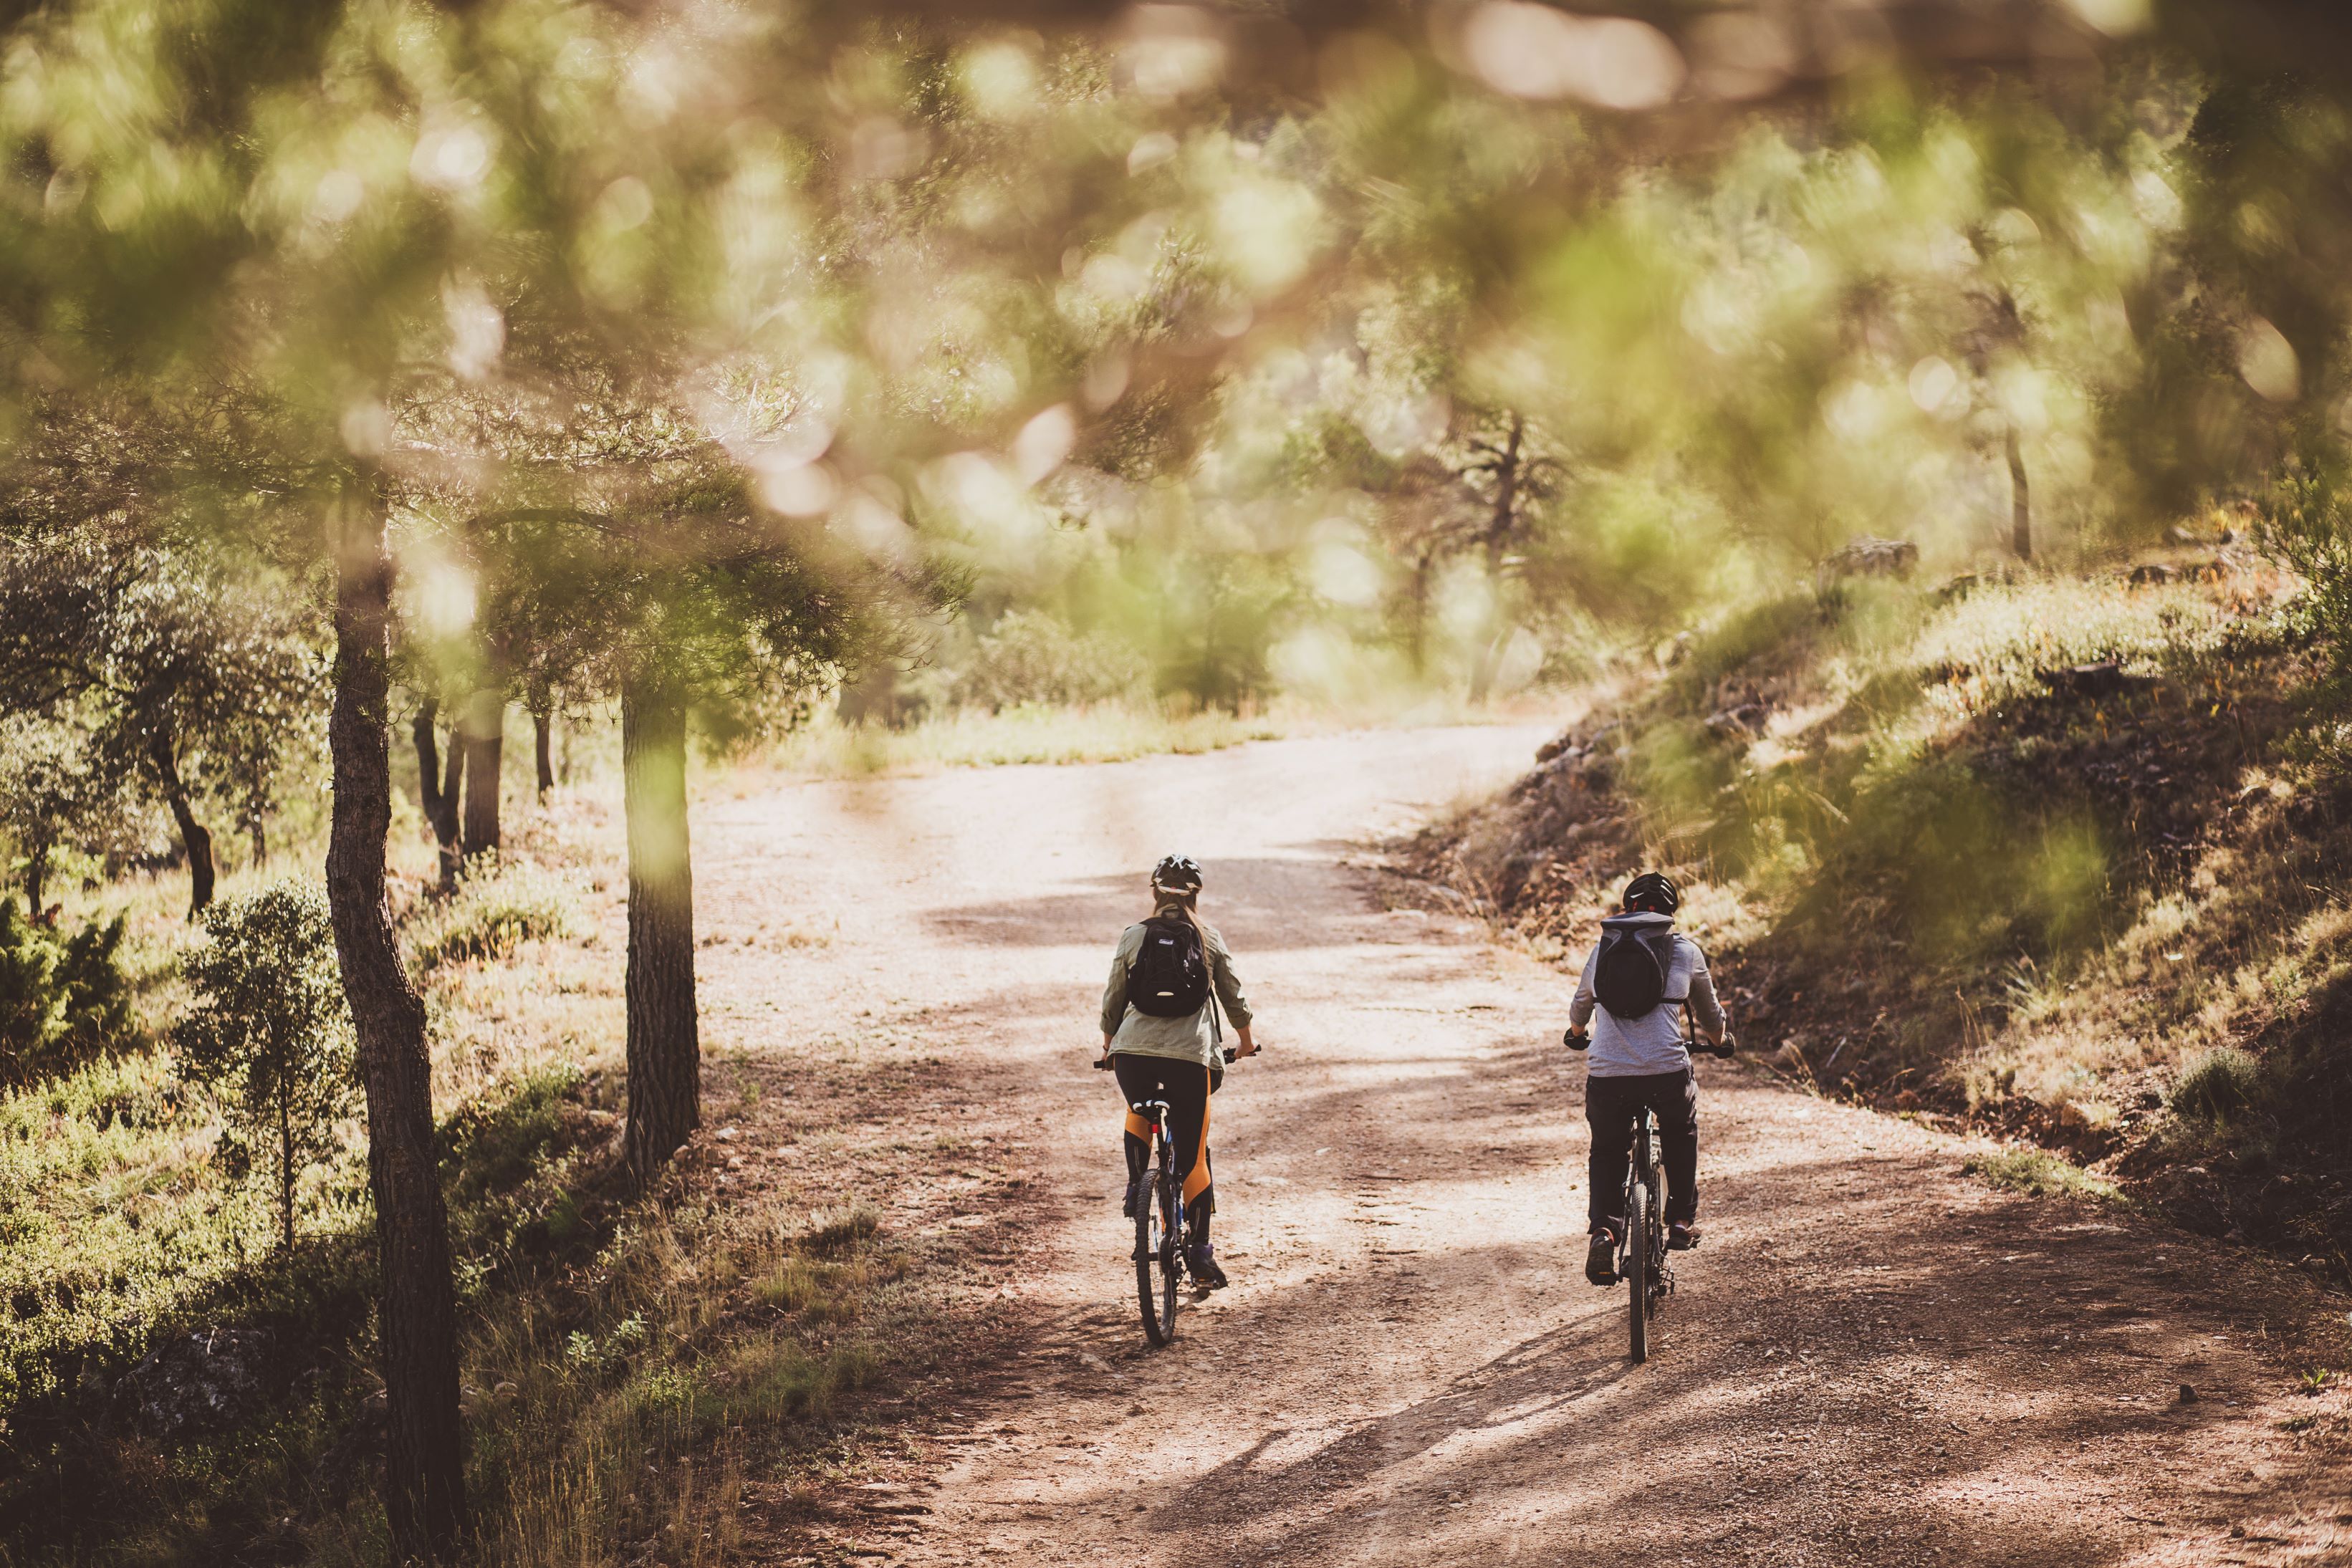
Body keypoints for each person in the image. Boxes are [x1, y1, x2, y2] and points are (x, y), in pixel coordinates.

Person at [1564, 870, 1732, 1287]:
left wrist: (1579, 1034)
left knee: (1606, 1150)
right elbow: (1709, 1012)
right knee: (1680, 1132)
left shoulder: (1603, 948)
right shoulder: (1684, 951)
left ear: (1628, 908)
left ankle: (1604, 1230)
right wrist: (1721, 1039)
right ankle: (1679, 1220)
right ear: (1671, 912)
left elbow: (1581, 1005)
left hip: (1608, 1074)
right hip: (1666, 1071)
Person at [1097, 854, 1257, 1289]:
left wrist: (1111, 1043)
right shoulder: (1208, 938)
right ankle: (1201, 1256)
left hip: (1134, 1055)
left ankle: (1136, 1185)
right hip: (1192, 1058)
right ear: (1197, 894)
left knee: (1140, 1106)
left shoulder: (1133, 936)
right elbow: (1232, 995)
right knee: (1193, 1154)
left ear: (1154, 892)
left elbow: (1114, 995)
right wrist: (1244, 1042)